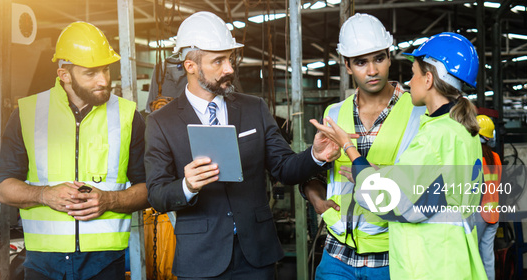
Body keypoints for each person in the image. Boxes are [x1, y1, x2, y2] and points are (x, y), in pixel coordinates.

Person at [144, 11, 340, 279]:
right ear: (190, 65)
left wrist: (315, 156)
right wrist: (186, 185)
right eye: (218, 61)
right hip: (201, 258)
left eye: (230, 58)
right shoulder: (161, 122)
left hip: (256, 255)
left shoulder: (254, 108)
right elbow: (156, 194)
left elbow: (284, 167)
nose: (230, 69)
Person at [312, 32, 487, 279]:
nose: (409, 81)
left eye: (414, 73)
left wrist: (349, 149)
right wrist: (385, 173)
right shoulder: (461, 130)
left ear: (428, 79)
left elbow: (385, 200)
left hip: (430, 261)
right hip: (449, 255)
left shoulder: (434, 137)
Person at [0, 22, 149, 280]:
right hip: (43, 263)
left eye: (106, 70)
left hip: (106, 262)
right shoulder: (28, 113)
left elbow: (149, 189)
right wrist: (44, 195)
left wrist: (110, 200)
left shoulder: (128, 116)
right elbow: (0, 187)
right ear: (64, 74)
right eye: (91, 73)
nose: (104, 80)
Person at [302, 13, 426, 280]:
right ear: (347, 66)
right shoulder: (333, 113)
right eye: (361, 62)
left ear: (390, 57)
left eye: (379, 58)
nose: (372, 71)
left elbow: (427, 183)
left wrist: (384, 175)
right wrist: (312, 192)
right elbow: (321, 172)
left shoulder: (418, 114)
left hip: (390, 254)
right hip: (337, 254)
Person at [476, 114, 502, 280]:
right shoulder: (497, 158)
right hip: (494, 214)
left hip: (478, 214)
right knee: (487, 258)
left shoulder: (475, 158)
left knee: (474, 256)